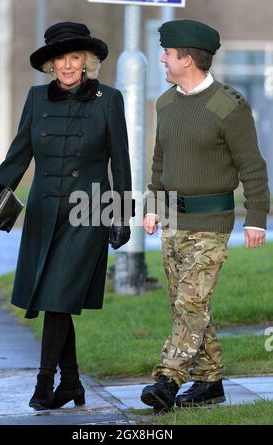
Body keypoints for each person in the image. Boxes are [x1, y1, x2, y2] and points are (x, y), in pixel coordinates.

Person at [0, 21, 134, 410]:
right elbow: (20, 152)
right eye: (60, 59)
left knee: (56, 296)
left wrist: (122, 213)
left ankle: (43, 384)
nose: (68, 66)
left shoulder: (109, 99)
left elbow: (121, 160)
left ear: (86, 62)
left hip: (89, 213)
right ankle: (71, 384)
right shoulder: (36, 99)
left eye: (75, 58)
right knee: (57, 298)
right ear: (51, 64)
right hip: (43, 212)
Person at [141, 19, 270, 411]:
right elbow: (159, 162)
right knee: (187, 304)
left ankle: (167, 379)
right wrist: (152, 206)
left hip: (212, 224)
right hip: (172, 222)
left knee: (190, 304)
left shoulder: (227, 105)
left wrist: (255, 217)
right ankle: (211, 382)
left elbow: (252, 165)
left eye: (168, 53)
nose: (162, 58)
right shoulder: (166, 102)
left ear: (188, 58)